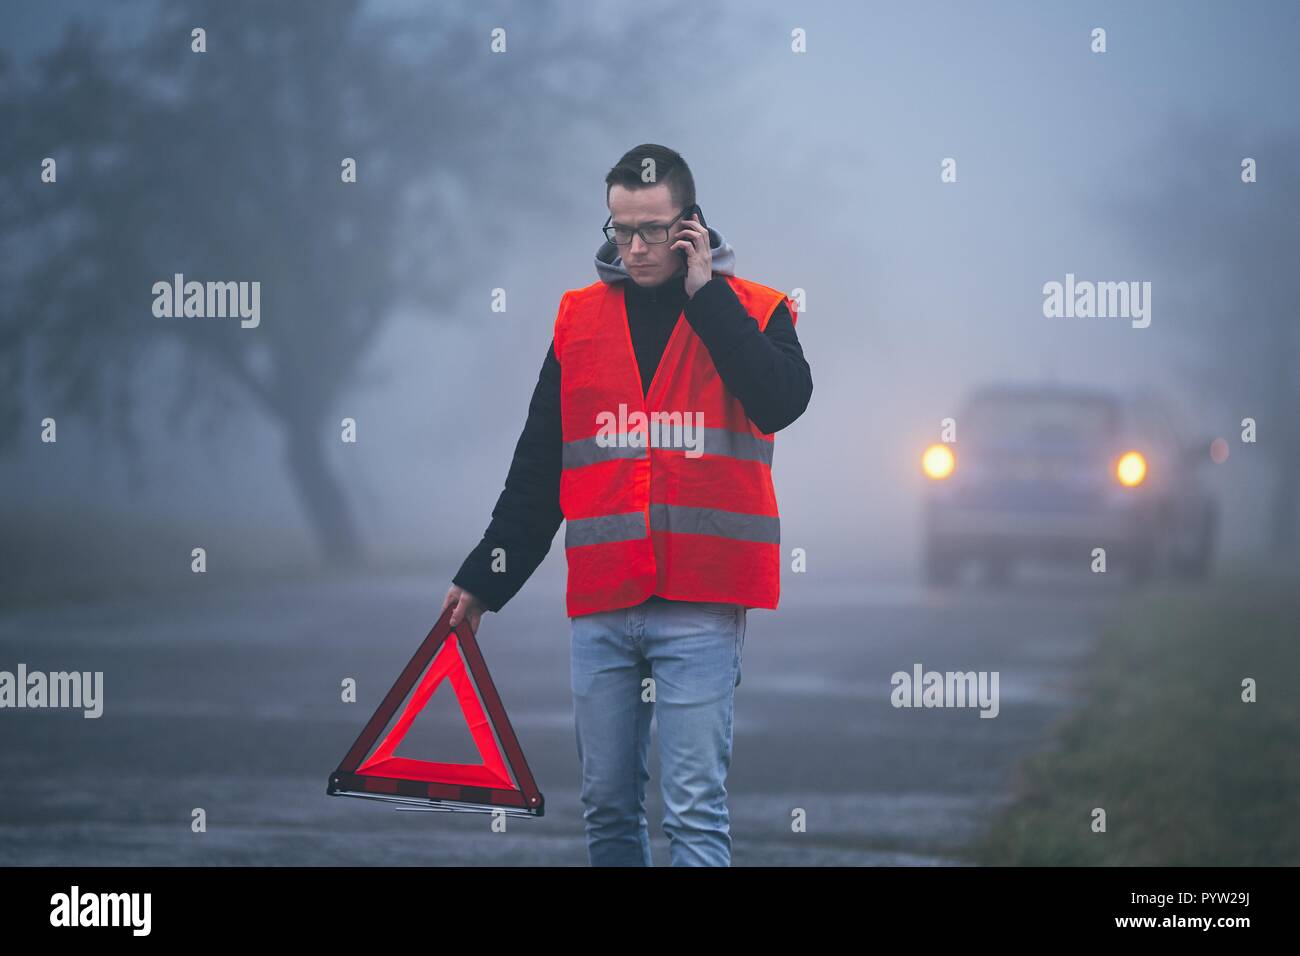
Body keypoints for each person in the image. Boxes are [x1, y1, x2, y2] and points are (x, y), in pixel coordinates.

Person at [442, 144, 812, 865]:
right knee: (608, 810)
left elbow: (780, 401)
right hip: (604, 603)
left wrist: (707, 295)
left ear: (691, 227)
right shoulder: (578, 321)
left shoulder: (756, 310)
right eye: (620, 231)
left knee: (693, 813)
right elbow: (541, 467)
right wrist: (486, 577)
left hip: (702, 603)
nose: (634, 248)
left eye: (651, 230)